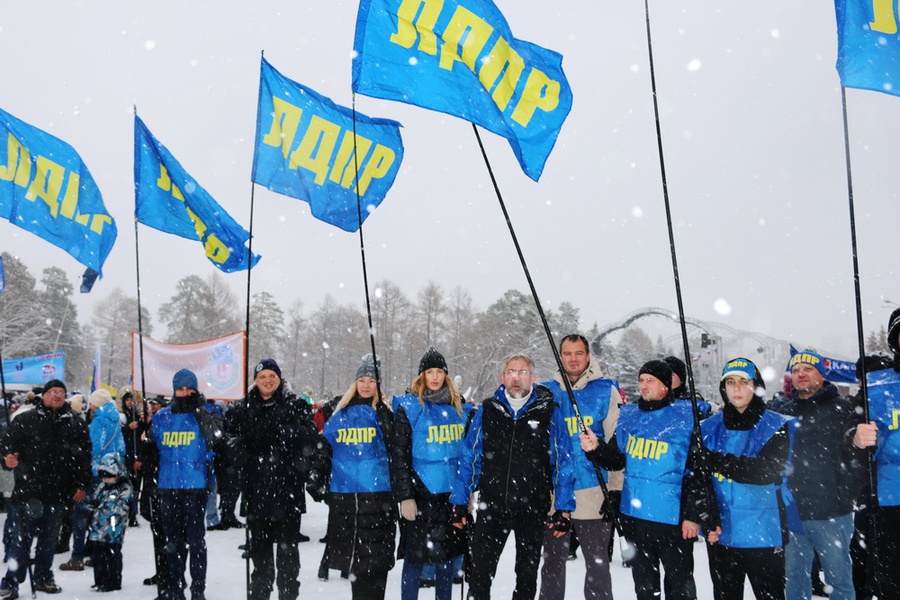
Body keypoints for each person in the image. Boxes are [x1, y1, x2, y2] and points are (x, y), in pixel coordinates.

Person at [450, 352, 575, 600]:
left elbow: (564, 462)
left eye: (522, 372)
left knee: (526, 576)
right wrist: (459, 501)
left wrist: (563, 507)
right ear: (502, 377)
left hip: (532, 507)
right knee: (480, 573)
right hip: (493, 505)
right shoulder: (488, 410)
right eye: (511, 372)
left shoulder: (549, 411)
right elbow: (470, 457)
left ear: (533, 377)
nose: (516, 378)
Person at [580, 359, 706, 600]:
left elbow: (696, 471)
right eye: (641, 380)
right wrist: (596, 448)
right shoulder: (629, 418)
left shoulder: (685, 418)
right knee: (645, 588)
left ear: (665, 386)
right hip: (636, 518)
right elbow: (617, 460)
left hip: (673, 520)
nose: (644, 385)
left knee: (679, 586)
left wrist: (692, 514)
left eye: (651, 380)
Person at [700, 358, 796, 600]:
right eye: (730, 382)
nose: (737, 388)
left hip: (764, 532)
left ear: (755, 386)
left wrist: (716, 460)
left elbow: (766, 472)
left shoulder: (776, 425)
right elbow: (698, 480)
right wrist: (706, 516)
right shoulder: (708, 427)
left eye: (744, 382)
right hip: (722, 534)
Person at [776, 349, 866, 600]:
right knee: (795, 578)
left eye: (808, 368)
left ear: (822, 375)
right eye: (795, 370)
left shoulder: (844, 408)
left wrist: (845, 495)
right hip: (793, 512)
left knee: (839, 579)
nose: (800, 374)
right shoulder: (783, 412)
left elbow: (859, 457)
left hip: (832, 513)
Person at [307, 354, 397, 600]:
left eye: (371, 380)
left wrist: (386, 418)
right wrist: (316, 477)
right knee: (357, 570)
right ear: (355, 383)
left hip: (379, 501)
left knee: (377, 567)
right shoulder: (340, 414)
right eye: (362, 379)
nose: (366, 385)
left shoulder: (385, 412)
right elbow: (324, 449)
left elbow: (397, 447)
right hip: (347, 502)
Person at [539, 334, 621, 600]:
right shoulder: (546, 391)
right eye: (567, 353)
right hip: (556, 493)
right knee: (552, 564)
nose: (573, 359)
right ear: (560, 356)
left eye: (578, 353)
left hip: (593, 489)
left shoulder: (606, 389)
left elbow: (615, 442)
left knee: (597, 565)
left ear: (588, 356)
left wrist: (616, 489)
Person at [227, 359, 317, 600]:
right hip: (256, 492)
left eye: (272, 376)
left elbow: (309, 436)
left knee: (288, 561)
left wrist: (284, 432)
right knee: (260, 559)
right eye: (262, 376)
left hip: (287, 491)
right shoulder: (244, 408)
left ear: (279, 378)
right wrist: (238, 449)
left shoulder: (295, 404)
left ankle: (288, 595)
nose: (268, 381)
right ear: (255, 380)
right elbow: (228, 438)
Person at [392, 347, 473, 600]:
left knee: (446, 561)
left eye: (439, 372)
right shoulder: (409, 408)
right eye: (430, 372)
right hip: (420, 495)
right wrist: (405, 496)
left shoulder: (459, 409)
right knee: (415, 561)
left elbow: (467, 456)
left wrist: (466, 493)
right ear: (422, 375)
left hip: (450, 497)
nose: (435, 377)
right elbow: (400, 455)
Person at [0, 379, 91, 599]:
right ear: (44, 396)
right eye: (52, 392)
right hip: (27, 493)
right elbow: (6, 445)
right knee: (19, 543)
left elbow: (84, 458)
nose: (57, 396)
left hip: (58, 494)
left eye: (61, 392)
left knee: (49, 541)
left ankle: (43, 577)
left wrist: (82, 483)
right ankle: (10, 582)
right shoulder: (25, 420)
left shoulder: (76, 424)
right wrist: (7, 459)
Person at [150, 369, 223, 600]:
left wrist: (201, 411)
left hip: (195, 487)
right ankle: (174, 587)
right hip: (168, 486)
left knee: (195, 542)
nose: (184, 393)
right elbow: (153, 447)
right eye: (180, 389)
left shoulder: (205, 412)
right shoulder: (162, 416)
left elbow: (216, 439)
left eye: (188, 389)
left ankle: (197, 590)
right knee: (173, 543)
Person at [852, 310, 900, 598]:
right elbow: (847, 437)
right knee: (889, 584)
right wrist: (856, 438)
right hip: (887, 505)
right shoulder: (875, 386)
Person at [62, 388, 126, 572]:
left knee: (81, 515)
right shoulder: (116, 420)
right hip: (114, 473)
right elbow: (121, 449)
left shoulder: (98, 421)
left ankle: (77, 557)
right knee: (107, 514)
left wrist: (88, 468)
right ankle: (103, 554)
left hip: (97, 473)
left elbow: (93, 448)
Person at [136, 395, 169, 596]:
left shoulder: (165, 423)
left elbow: (160, 451)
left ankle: (168, 574)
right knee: (156, 530)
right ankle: (161, 571)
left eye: (157, 405)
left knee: (166, 533)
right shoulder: (149, 423)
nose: (153, 408)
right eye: (152, 405)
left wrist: (149, 440)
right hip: (151, 483)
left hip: (163, 483)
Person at [87, 452, 134, 592]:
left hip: (114, 528)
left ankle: (113, 581)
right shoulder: (102, 486)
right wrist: (92, 507)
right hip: (98, 528)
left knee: (112, 555)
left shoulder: (124, 488)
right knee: (97, 555)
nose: (106, 479)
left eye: (109, 475)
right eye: (103, 475)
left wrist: (104, 507)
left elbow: (122, 507)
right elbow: (94, 500)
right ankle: (100, 580)